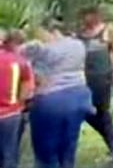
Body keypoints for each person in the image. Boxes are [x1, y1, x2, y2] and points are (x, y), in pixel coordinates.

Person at [22, 20, 93, 168]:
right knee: (68, 146)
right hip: (79, 96)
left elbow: (24, 62)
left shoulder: (42, 50)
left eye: (39, 33)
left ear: (51, 31)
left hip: (51, 100)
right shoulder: (78, 45)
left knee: (46, 150)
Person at [77, 8, 113, 167]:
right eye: (84, 15)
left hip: (103, 77)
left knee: (102, 112)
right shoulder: (80, 35)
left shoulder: (106, 30)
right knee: (87, 113)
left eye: (88, 14)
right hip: (85, 80)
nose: (86, 18)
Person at [0, 29, 34, 168]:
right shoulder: (19, 61)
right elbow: (28, 90)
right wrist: (20, 104)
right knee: (9, 154)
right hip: (10, 113)